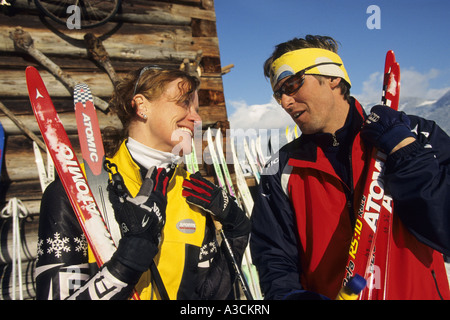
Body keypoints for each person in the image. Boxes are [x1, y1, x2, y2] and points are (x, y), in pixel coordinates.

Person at [250, 35, 450, 300]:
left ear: (333, 77)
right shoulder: (280, 169)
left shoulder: (415, 133)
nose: (285, 102)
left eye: (293, 84)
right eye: (279, 93)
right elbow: (273, 257)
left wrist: (405, 153)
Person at [35, 66, 250, 300]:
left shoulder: (193, 193)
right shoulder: (74, 193)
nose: (196, 118)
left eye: (197, 110)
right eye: (184, 103)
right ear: (142, 105)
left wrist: (236, 234)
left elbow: (209, 297)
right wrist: (127, 263)